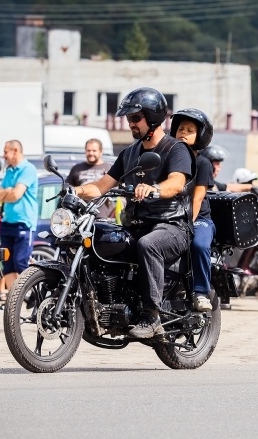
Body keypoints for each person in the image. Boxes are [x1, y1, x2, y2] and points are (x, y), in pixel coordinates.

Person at [75, 87, 194, 339]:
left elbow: (175, 183)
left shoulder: (176, 149)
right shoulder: (129, 153)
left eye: (135, 118)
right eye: (128, 119)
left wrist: (153, 189)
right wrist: (75, 191)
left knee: (148, 244)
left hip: (172, 226)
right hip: (137, 225)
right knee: (100, 239)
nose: (130, 123)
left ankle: (152, 317)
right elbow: (101, 185)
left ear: (152, 118)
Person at [170, 108, 215, 312]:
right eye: (180, 128)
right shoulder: (168, 159)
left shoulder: (203, 163)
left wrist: (187, 225)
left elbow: (197, 198)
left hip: (198, 218)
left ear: (200, 136)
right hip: (171, 216)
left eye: (190, 130)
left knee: (198, 244)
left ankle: (200, 292)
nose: (183, 133)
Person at [0, 140, 39, 301]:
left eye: (6, 152)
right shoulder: (10, 171)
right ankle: (17, 300)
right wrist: (7, 192)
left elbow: (15, 195)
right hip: (7, 222)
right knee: (8, 265)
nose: (4, 155)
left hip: (24, 223)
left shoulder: (28, 169)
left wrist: (7, 193)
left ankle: (35, 294)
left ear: (15, 150)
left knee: (21, 262)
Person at [66, 138, 114, 218]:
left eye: (94, 150)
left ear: (101, 152)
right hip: (81, 217)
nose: (91, 153)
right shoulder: (76, 169)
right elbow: (68, 189)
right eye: (88, 150)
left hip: (104, 217)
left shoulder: (110, 168)